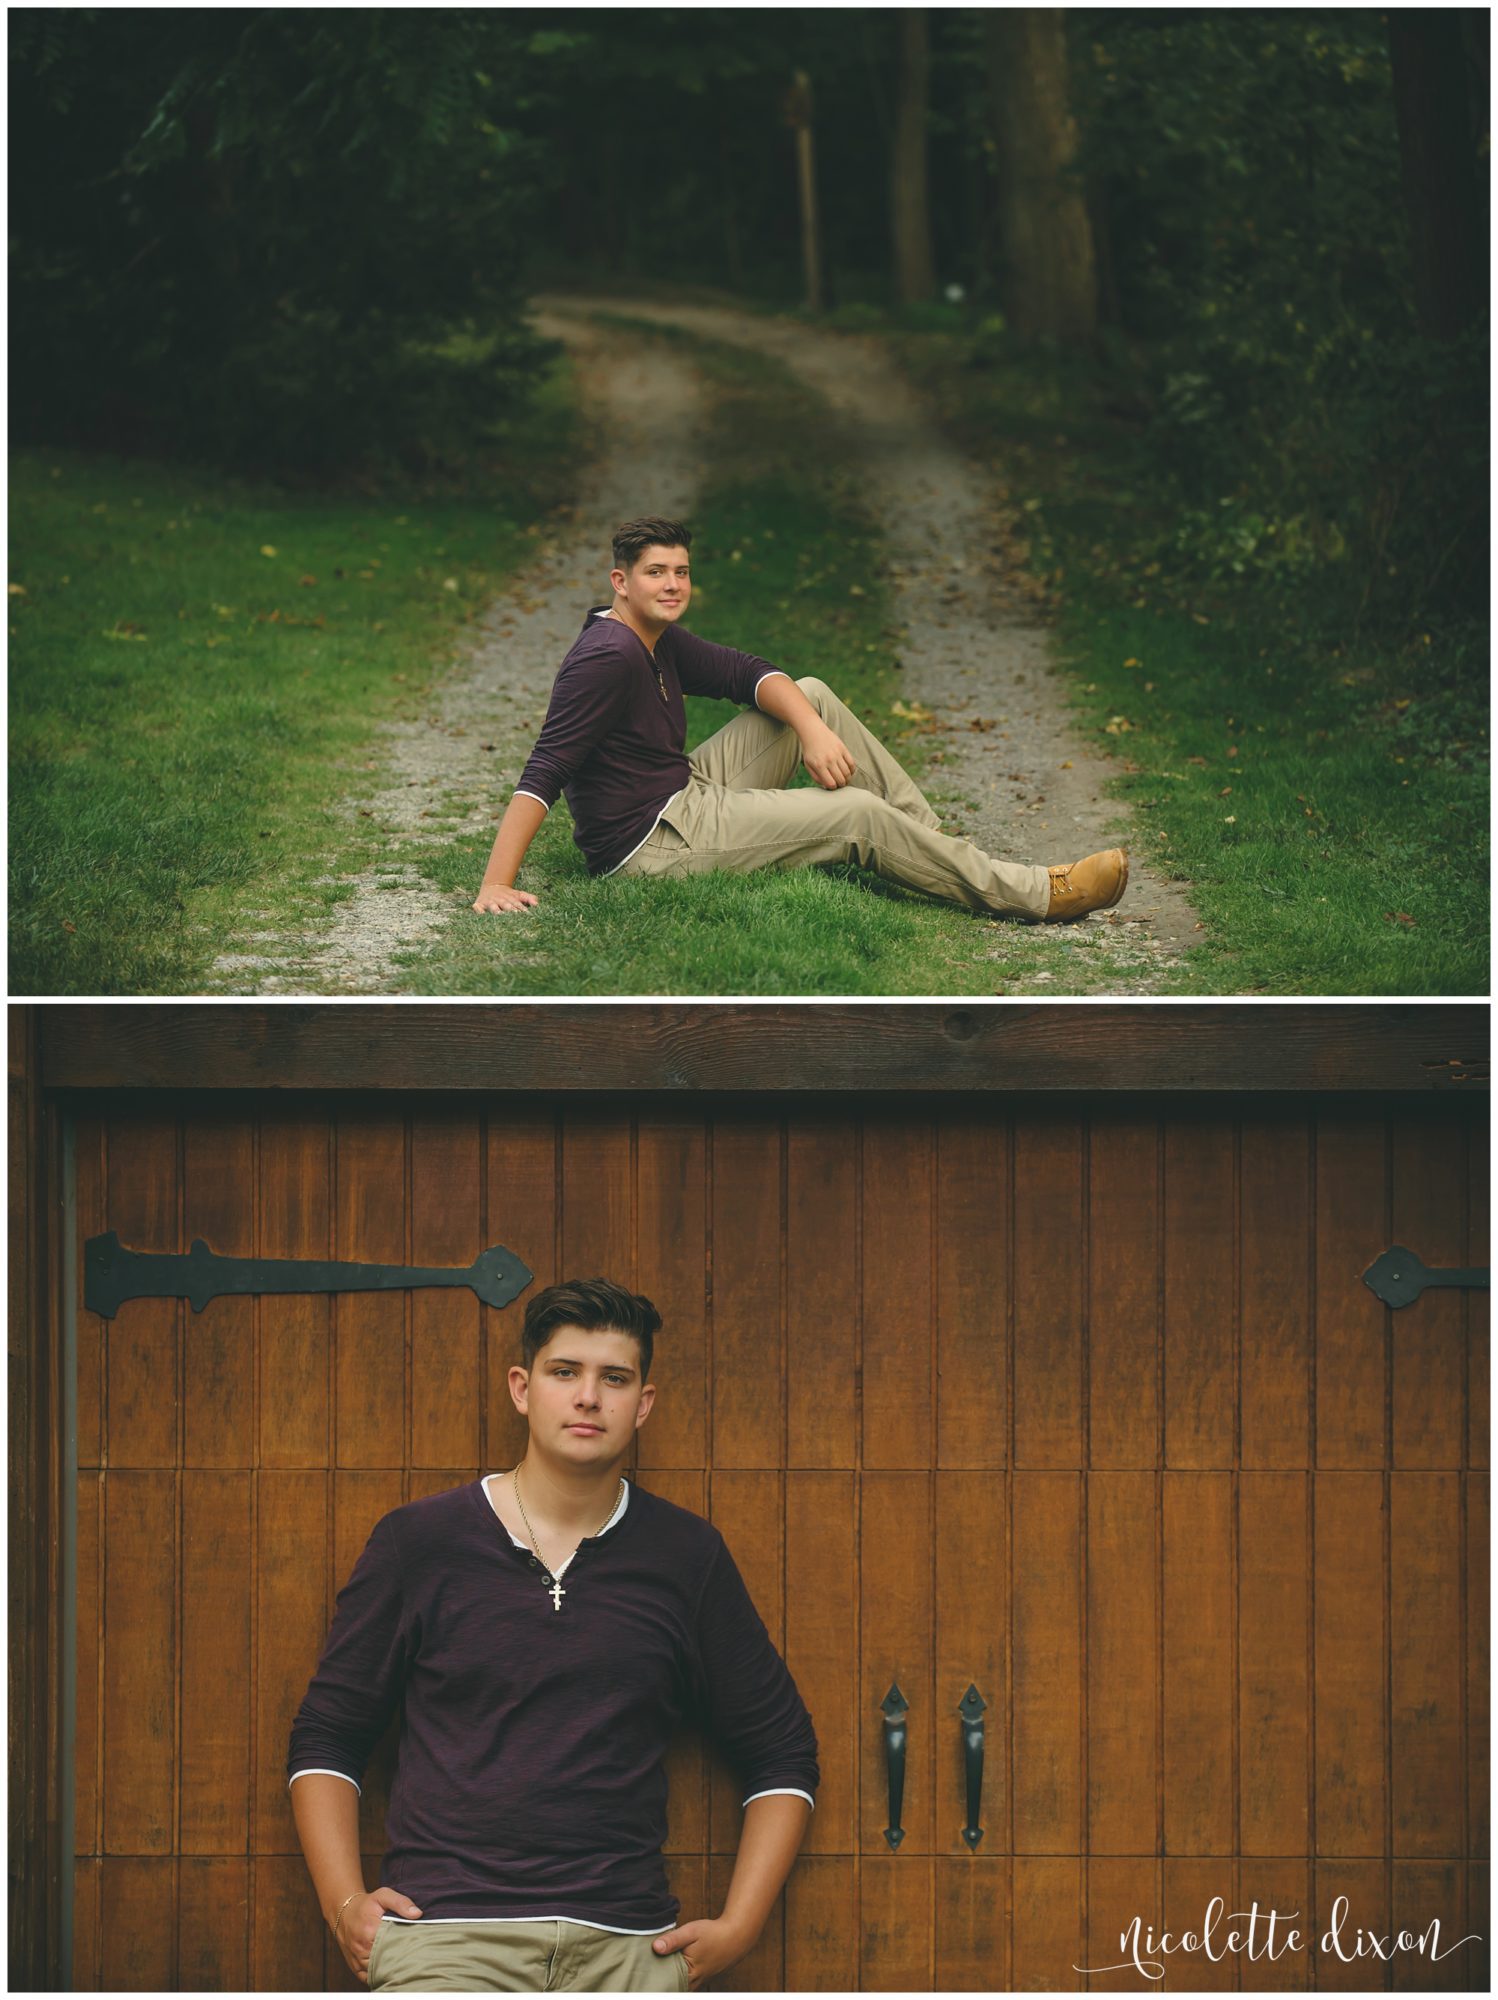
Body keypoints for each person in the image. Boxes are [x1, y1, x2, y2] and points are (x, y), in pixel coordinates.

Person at [287, 1279, 817, 1993]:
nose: (589, 1396)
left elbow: (780, 1751)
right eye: (564, 1372)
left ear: (644, 1403)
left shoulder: (686, 1557)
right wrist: (343, 1902)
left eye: (615, 1378)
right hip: (448, 1942)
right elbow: (329, 1735)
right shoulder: (420, 1543)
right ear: (522, 1387)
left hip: (627, 1952)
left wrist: (742, 1924)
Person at [472, 515, 1127, 922]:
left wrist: (812, 731)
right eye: (655, 574)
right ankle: (1040, 894)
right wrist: (497, 882)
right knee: (855, 815)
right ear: (620, 581)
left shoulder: (653, 635)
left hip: (678, 789)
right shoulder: (608, 656)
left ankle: (935, 847)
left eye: (682, 572)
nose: (673, 585)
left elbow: (748, 673)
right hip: (653, 843)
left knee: (806, 694)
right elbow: (545, 768)